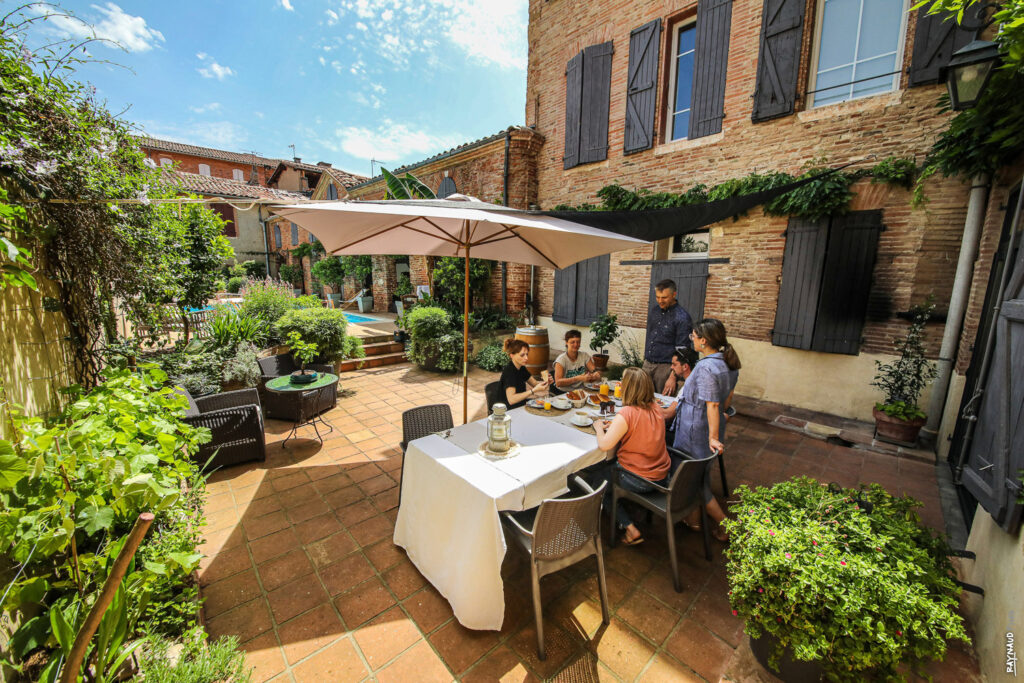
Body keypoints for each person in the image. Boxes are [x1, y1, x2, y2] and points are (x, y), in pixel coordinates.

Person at [669, 318, 741, 541]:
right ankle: (694, 519)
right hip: (708, 426)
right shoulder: (728, 363)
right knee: (699, 475)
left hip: (696, 431)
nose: (691, 339)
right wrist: (721, 421)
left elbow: (713, 404)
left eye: (693, 336)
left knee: (692, 479)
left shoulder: (706, 367)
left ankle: (727, 526)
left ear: (704, 340)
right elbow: (726, 400)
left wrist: (712, 437)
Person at [593, 367, 673, 546]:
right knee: (608, 469)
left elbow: (604, 445)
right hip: (661, 476)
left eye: (623, 381)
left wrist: (599, 428)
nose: (620, 384)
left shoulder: (627, 413)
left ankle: (629, 527)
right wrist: (616, 426)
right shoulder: (656, 408)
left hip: (639, 479)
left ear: (629, 387)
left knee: (598, 482)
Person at [643, 279, 693, 398]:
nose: (660, 301)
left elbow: (682, 350)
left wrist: (672, 377)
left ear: (674, 294)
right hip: (647, 364)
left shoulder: (682, 318)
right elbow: (650, 337)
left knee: (662, 402)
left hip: (666, 368)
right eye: (657, 297)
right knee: (641, 399)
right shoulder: (654, 311)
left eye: (664, 297)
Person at [660, 347, 701, 446]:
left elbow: (668, 414)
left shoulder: (689, 386)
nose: (671, 367)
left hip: (684, 438)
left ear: (685, 366)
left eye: (674, 364)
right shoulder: (697, 380)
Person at [499, 338, 551, 409]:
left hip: (520, 404)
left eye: (527, 354)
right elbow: (511, 400)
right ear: (512, 355)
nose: (526, 358)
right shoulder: (509, 372)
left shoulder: (521, 367)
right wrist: (533, 391)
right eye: (522, 355)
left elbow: (535, 384)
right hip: (508, 409)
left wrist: (546, 382)